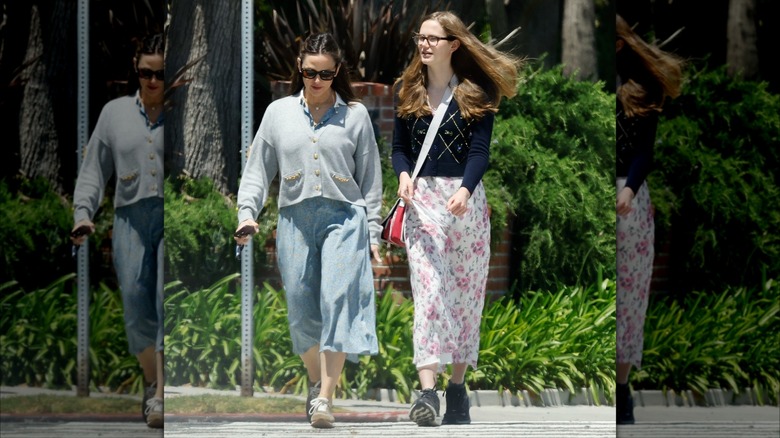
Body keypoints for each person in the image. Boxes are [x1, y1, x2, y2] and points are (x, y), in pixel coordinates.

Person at [234, 32, 382, 429]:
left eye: (326, 74)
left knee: (336, 301)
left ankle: (324, 400)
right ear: (299, 69)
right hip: (294, 221)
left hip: (343, 218)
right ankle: (315, 380)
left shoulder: (355, 116)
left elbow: (370, 181)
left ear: (337, 74)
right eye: (309, 73)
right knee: (300, 311)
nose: (316, 81)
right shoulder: (278, 113)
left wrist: (373, 233)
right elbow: (257, 171)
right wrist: (247, 212)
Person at [391, 11, 519, 427]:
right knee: (427, 294)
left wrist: (465, 190)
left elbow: (480, 152)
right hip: (423, 203)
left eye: (432, 38)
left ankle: (457, 389)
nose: (424, 44)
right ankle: (428, 392)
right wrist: (404, 177)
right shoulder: (408, 91)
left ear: (454, 44)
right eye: (420, 38)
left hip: (465, 205)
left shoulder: (475, 93)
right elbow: (399, 149)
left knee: (465, 298)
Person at [70, 33, 166, 428]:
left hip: (168, 217)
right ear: (136, 69)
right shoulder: (114, 113)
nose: (153, 81)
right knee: (134, 306)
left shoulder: (183, 111)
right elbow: (94, 170)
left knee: (164, 302)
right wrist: (82, 212)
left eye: (161, 74)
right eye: (146, 72)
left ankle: (161, 396)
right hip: (129, 219)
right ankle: (150, 381)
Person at [615, 14, 683, 425]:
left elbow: (645, 152)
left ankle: (622, 387)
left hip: (630, 199)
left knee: (631, 298)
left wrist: (629, 189)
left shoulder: (644, 90)